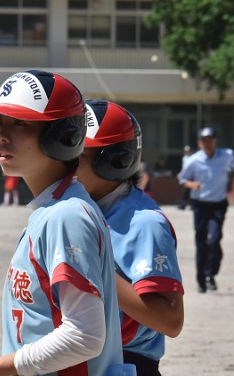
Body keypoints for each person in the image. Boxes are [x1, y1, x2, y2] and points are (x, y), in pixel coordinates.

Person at [0, 70, 123, 375]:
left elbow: (85, 336)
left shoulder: (65, 214)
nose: (1, 135)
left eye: (20, 124)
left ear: (61, 136)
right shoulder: (52, 208)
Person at [76, 99, 184, 375]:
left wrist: (95, 268)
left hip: (126, 363)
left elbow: (171, 321)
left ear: (113, 160)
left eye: (76, 155)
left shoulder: (144, 223)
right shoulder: (74, 211)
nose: (63, 165)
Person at [178, 127, 234, 293]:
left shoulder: (227, 155)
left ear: (215, 141)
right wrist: (193, 185)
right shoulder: (194, 160)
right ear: (199, 143)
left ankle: (211, 273)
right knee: (201, 241)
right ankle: (202, 281)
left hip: (218, 203)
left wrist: (231, 182)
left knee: (215, 238)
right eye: (204, 140)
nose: (207, 143)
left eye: (210, 140)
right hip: (200, 205)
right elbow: (182, 179)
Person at [177, 145, 193, 210]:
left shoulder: (193, 158)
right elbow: (184, 168)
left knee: (192, 192)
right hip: (186, 176)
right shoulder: (184, 158)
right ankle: (183, 205)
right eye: (186, 151)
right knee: (185, 191)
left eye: (188, 151)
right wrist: (180, 173)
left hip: (191, 176)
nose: (187, 152)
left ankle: (192, 205)